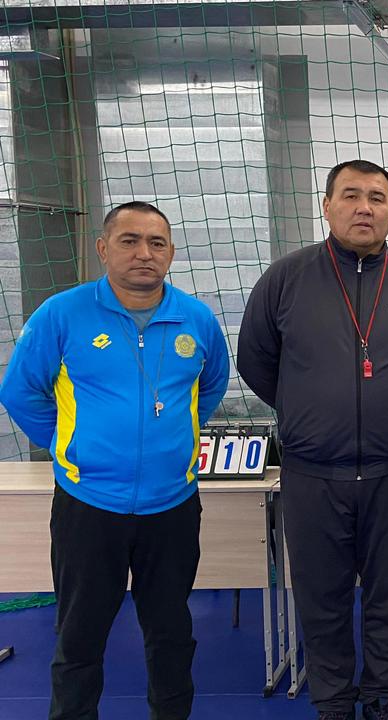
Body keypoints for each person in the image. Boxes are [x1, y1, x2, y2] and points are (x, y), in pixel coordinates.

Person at [237, 160, 388, 720]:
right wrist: (308, 409)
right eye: (351, 195)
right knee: (322, 596)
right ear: (327, 205)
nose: (365, 207)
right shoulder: (285, 280)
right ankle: (334, 701)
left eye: (377, 197)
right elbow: (256, 362)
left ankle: (384, 695)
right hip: (313, 472)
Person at [0, 201, 230, 720]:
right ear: (103, 249)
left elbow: (211, 386)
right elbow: (20, 392)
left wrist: (174, 439)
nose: (144, 253)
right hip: (88, 506)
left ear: (171, 253)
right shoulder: (61, 314)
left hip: (172, 506)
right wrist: (72, 447)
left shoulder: (197, 319)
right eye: (129, 241)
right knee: (79, 639)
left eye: (156, 243)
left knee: (172, 636)